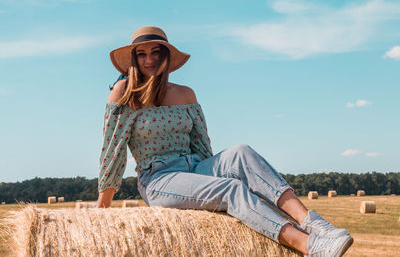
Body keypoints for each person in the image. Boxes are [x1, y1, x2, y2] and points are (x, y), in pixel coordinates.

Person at [96, 26, 353, 257]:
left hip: (196, 168)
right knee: (230, 189)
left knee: (241, 151)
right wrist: (102, 210)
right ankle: (309, 246)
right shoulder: (125, 93)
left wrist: (211, 175)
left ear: (166, 56)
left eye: (155, 52)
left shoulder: (186, 94)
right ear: (134, 59)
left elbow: (202, 146)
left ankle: (314, 223)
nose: (149, 59)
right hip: (159, 178)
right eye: (142, 54)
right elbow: (113, 150)